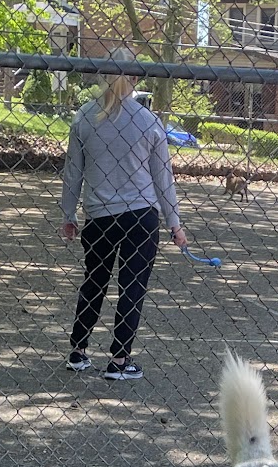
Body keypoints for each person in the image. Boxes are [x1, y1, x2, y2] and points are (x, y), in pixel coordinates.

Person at [61, 56, 188, 381]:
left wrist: (68, 213)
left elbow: (73, 173)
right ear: (134, 78)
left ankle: (78, 351)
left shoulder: (84, 118)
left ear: (102, 74)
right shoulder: (148, 120)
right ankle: (119, 361)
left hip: (100, 217)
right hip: (140, 217)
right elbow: (163, 178)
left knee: (94, 281)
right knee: (132, 286)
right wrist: (174, 223)